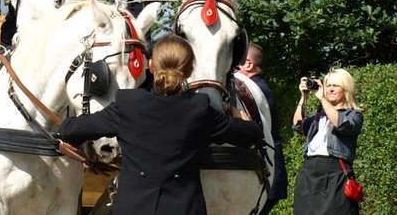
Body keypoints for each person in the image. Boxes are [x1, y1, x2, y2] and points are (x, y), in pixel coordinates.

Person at [59, 35, 261, 215]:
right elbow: (249, 135)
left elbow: (71, 130)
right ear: (190, 70)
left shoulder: (128, 103)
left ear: (151, 66)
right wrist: (243, 118)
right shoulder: (199, 109)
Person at [292, 67, 363, 215]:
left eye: (335, 86)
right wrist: (303, 97)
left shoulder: (354, 115)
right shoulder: (318, 116)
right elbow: (298, 126)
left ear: (346, 89)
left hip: (334, 174)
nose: (330, 89)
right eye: (328, 85)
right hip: (308, 172)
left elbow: (342, 125)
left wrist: (322, 98)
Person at [237, 43, 287, 214]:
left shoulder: (254, 90)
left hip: (269, 170)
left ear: (249, 64)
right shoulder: (259, 86)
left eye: (238, 62)